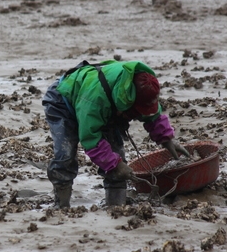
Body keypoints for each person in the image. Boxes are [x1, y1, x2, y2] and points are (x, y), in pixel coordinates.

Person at [42, 59, 190, 208]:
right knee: (65, 155)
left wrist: (167, 139)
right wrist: (115, 165)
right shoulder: (96, 100)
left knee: (118, 158)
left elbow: (152, 115)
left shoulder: (143, 87)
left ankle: (116, 206)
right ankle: (61, 206)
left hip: (104, 104)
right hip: (63, 101)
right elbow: (90, 139)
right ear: (128, 102)